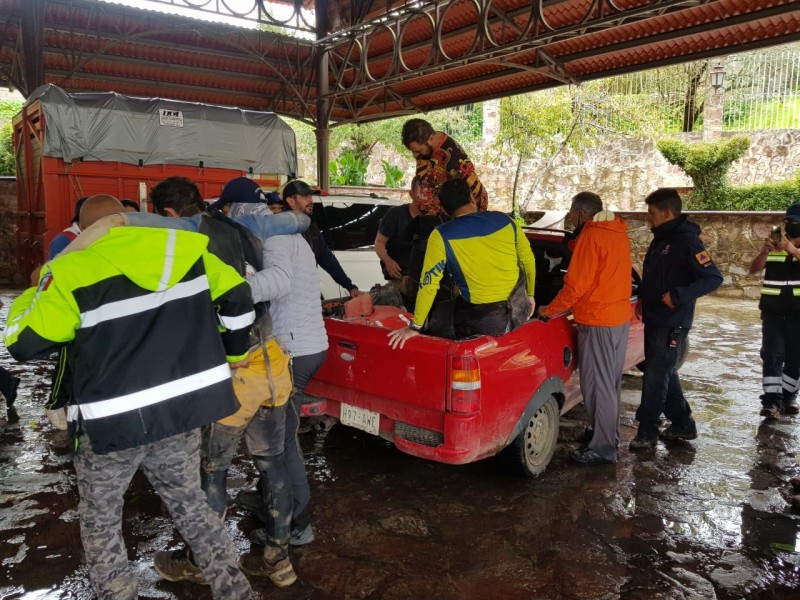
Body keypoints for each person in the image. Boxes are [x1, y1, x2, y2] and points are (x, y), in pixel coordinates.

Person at [3, 195, 255, 600]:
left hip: (111, 427)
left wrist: (37, 287)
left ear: (83, 232)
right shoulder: (187, 252)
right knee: (191, 506)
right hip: (180, 415)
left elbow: (23, 342)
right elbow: (240, 299)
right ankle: (236, 592)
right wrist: (235, 352)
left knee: (101, 520)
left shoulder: (70, 271)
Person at [125, 176, 303, 587]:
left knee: (214, 469)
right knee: (272, 464)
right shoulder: (238, 229)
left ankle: (199, 564)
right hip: (273, 361)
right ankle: (278, 562)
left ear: (168, 214)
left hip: (235, 370)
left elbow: (212, 303)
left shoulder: (185, 243)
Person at [229, 180, 328, 575]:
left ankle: (297, 525)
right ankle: (270, 502)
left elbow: (279, 283)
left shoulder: (275, 238)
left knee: (283, 447)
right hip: (306, 343)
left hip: (293, 350)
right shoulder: (289, 234)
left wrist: (228, 289)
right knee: (281, 441)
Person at [538, 192, 632, 464]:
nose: (569, 218)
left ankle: (603, 449)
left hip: (598, 320)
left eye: (570, 213)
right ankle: (604, 435)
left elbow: (576, 286)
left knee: (596, 386)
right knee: (609, 384)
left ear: (580, 213)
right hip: (617, 319)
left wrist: (548, 310)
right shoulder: (616, 231)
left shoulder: (592, 236)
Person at [388, 178, 536, 349]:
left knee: (439, 324)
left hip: (484, 322)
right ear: (472, 199)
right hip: (519, 310)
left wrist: (415, 326)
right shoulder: (505, 221)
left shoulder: (441, 235)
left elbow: (429, 284)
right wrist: (530, 295)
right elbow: (527, 261)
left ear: (444, 210)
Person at [630, 188, 723, 451]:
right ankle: (683, 423)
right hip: (655, 316)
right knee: (662, 371)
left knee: (656, 374)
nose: (649, 218)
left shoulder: (687, 241)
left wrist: (679, 295)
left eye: (652, 213)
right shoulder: (661, 238)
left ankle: (647, 430)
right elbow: (656, 276)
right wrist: (644, 301)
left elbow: (713, 278)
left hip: (673, 320)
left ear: (667, 212)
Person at [45, 195, 125, 432]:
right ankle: (56, 404)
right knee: (67, 365)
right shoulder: (65, 241)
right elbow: (53, 277)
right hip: (76, 319)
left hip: (105, 319)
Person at [748, 204, 800, 418]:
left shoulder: (789, 247)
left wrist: (792, 250)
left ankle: (787, 398)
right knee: (772, 356)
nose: (791, 226)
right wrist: (764, 251)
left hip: (798, 315)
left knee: (795, 359)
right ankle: (771, 402)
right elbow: (754, 269)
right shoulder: (776, 243)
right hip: (772, 313)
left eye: (796, 223)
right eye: (789, 222)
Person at [281, 179, 361, 297]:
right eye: (305, 196)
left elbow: (326, 258)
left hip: (310, 294)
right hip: (289, 298)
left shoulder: (311, 228)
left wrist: (350, 287)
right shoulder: (281, 230)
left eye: (310, 196)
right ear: (291, 201)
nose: (311, 200)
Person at [401, 118, 488, 215]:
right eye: (412, 151)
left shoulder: (454, 162)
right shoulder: (426, 145)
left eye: (418, 151)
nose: (415, 155)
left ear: (431, 139)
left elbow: (478, 194)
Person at [374, 177, 422, 281]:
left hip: (424, 277)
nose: (423, 197)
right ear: (411, 194)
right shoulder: (395, 214)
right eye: (420, 193)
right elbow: (379, 242)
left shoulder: (434, 217)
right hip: (399, 275)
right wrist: (388, 262)